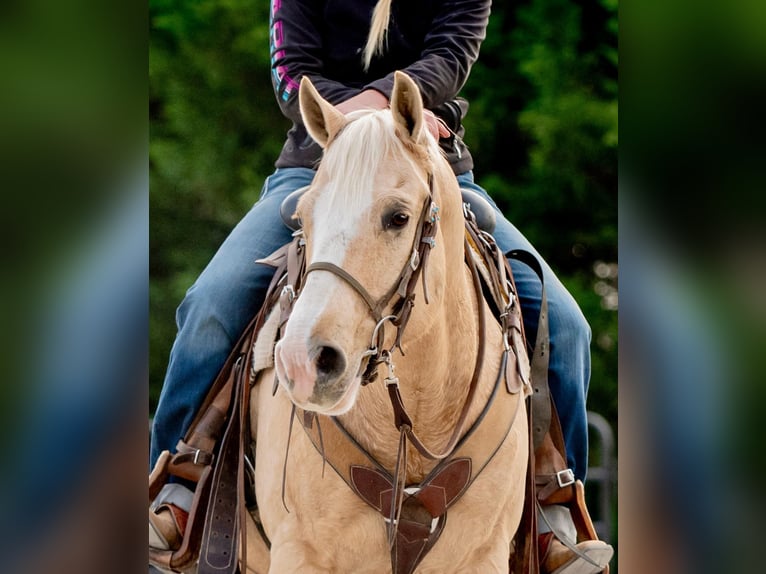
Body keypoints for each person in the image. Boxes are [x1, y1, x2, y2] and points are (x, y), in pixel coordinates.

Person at [150, 0, 613, 572]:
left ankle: (552, 503)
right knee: (211, 306)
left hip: (425, 165)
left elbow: (450, 56)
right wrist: (365, 119)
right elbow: (292, 73)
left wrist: (392, 119)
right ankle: (179, 483)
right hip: (319, 163)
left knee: (565, 326)